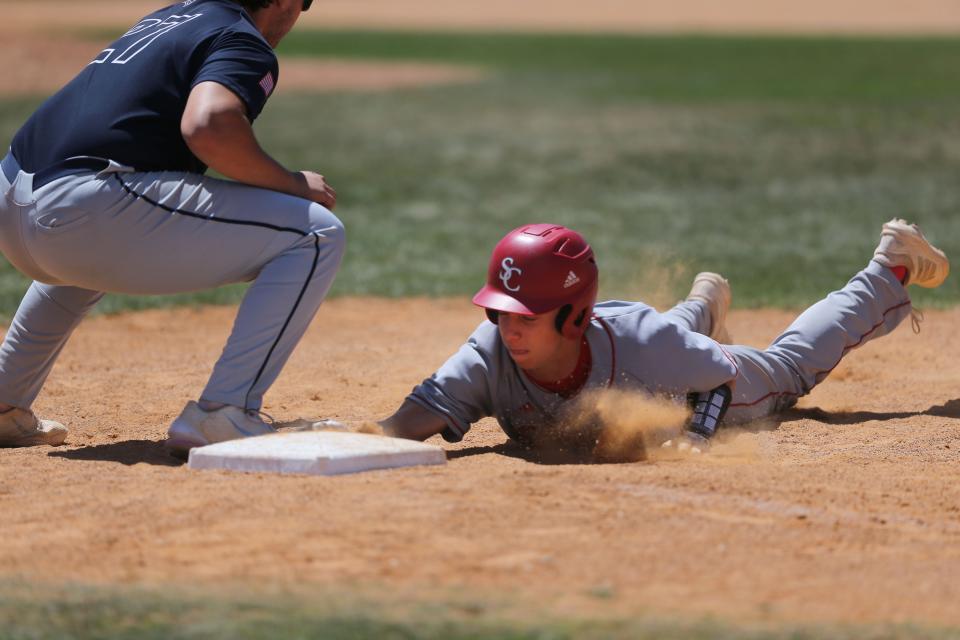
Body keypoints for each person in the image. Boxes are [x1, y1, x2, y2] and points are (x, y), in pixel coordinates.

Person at [0, 0, 345, 456]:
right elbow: (207, 125)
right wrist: (293, 183)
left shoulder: (174, 15)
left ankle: (3, 404)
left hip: (13, 199)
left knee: (90, 253)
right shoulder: (242, 38)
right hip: (83, 207)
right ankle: (225, 412)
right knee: (316, 234)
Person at [377, 219, 949, 458]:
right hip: (641, 342)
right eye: (502, 312)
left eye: (529, 314)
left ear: (572, 317)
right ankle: (705, 304)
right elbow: (411, 420)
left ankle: (888, 267)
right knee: (655, 343)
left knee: (790, 367)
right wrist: (351, 439)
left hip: (704, 377)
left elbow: (719, 379)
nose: (510, 326)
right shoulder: (490, 350)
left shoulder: (647, 345)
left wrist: (697, 437)